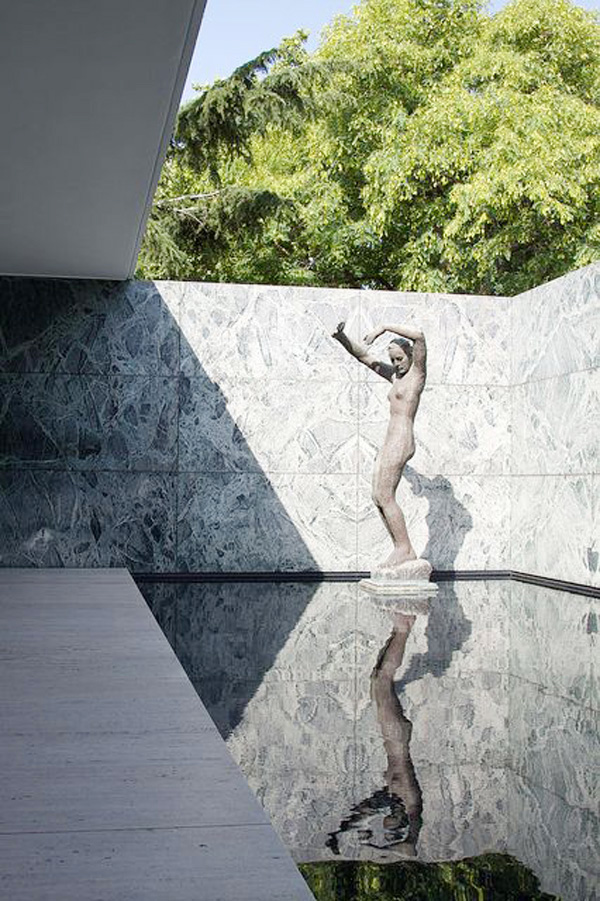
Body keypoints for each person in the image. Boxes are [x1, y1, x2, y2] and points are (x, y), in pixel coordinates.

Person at [332, 321, 427, 569]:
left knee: (385, 495)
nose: (396, 364)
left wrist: (383, 328)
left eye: (400, 359)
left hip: (401, 439)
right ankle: (400, 548)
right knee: (377, 496)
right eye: (393, 360)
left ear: (410, 355)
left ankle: (405, 549)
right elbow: (365, 357)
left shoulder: (417, 375)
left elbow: (419, 336)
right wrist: (342, 338)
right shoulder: (395, 377)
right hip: (389, 440)